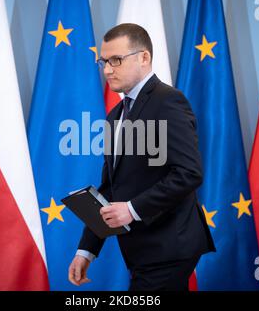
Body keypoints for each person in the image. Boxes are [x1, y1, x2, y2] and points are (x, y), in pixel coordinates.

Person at [68, 23, 215, 291]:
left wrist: (132, 209)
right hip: (142, 251)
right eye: (104, 61)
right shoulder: (116, 115)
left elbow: (189, 173)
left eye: (116, 60)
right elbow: (110, 188)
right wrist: (86, 251)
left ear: (144, 57)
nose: (107, 69)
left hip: (169, 245)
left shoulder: (168, 101)